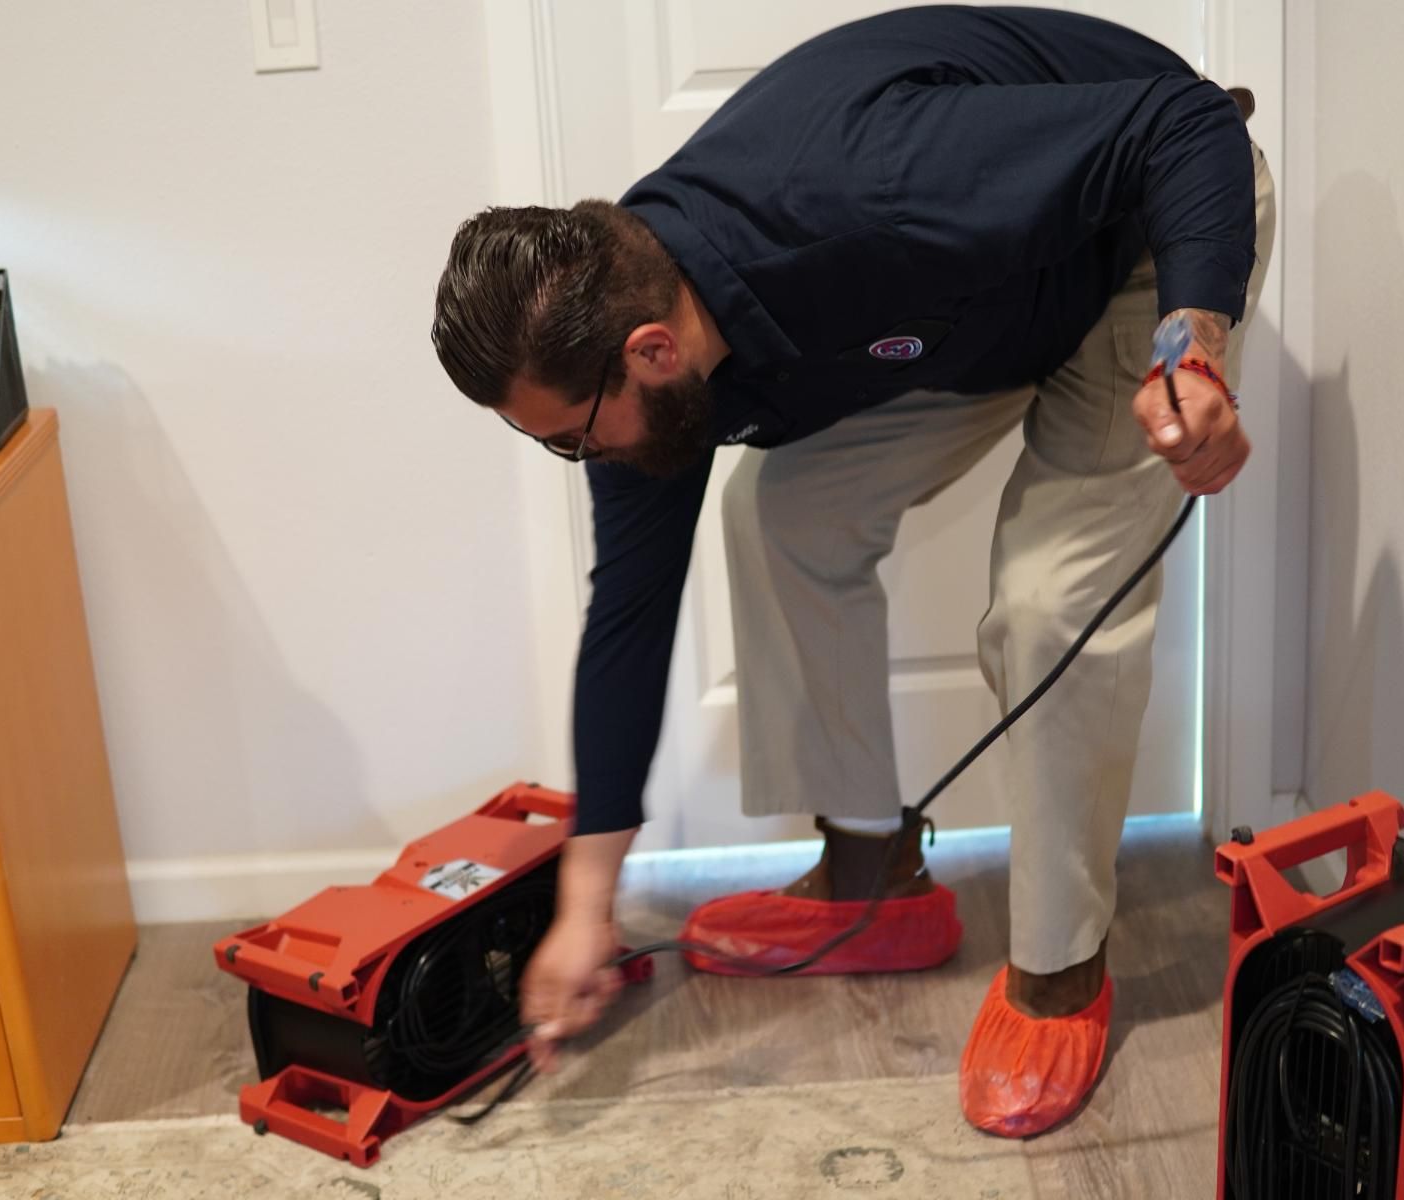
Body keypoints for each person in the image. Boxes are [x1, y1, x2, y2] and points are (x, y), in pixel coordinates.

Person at [431, 4, 1274, 1137]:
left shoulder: (865, 192)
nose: (577, 462)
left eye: (571, 439)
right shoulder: (639, 353)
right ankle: (872, 877)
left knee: (1041, 603)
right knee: (784, 511)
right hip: (983, 304)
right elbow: (628, 612)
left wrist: (1194, 347)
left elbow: (1184, 127)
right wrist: (587, 907)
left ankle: (1060, 975)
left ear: (651, 352)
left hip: (1145, 252)